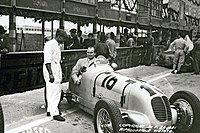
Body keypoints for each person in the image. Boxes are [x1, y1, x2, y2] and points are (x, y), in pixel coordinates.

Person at [43, 28, 67, 121]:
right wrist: (51, 74)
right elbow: (47, 60)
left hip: (55, 70)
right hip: (51, 70)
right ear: (59, 36)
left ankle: (50, 110)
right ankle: (55, 113)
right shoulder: (49, 45)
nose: (64, 41)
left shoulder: (56, 45)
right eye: (63, 38)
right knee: (54, 92)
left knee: (51, 91)